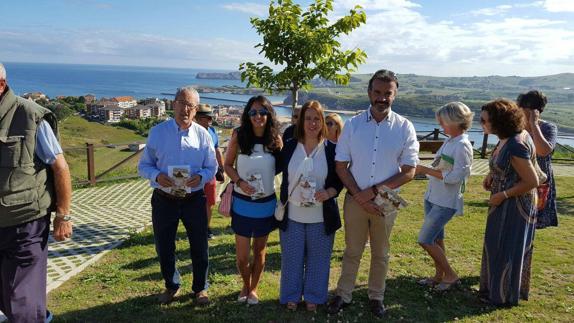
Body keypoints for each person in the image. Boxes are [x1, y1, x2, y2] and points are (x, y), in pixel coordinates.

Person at [327, 69, 419, 318]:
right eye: (377, 92)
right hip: (355, 199)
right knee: (352, 250)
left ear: (395, 94)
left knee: (381, 252)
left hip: (386, 201)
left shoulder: (404, 127)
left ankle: (376, 296)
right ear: (369, 93)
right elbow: (340, 166)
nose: (382, 98)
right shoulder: (354, 125)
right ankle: (343, 294)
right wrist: (359, 195)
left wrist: (374, 192)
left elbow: (409, 171)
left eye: (387, 93)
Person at [0, 62, 73, 322]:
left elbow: (60, 167)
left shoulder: (30, 115)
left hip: (25, 225)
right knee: (9, 298)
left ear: (1, 85)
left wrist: (63, 216)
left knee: (21, 301)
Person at [138, 86, 217, 305]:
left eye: (191, 105)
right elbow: (143, 166)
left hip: (194, 199)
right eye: (182, 103)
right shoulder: (157, 132)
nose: (186, 109)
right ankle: (171, 285)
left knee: (199, 245)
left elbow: (212, 166)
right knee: (164, 246)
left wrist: (200, 178)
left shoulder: (203, 136)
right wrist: (156, 176)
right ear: (174, 104)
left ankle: (200, 288)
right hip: (165, 199)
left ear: (195, 110)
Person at [276, 100, 343, 312]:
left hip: (321, 216)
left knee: (319, 260)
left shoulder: (332, 150)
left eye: (317, 119)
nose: (312, 123)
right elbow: (274, 168)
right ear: (300, 121)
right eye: (308, 118)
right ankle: (291, 296)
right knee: (291, 259)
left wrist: (330, 192)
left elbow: (339, 179)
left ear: (322, 121)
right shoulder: (289, 146)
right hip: (293, 214)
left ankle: (314, 296)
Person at [479, 99, 540, 306]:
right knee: (495, 244)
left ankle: (502, 296)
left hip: (515, 205)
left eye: (484, 120)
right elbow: (504, 164)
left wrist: (503, 195)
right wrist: (491, 174)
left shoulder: (516, 143)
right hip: (502, 200)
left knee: (507, 247)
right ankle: (492, 290)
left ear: (499, 122)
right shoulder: (505, 137)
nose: (481, 124)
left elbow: (532, 181)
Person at [223, 95, 283, 305]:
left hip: (265, 205)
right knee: (241, 257)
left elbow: (282, 167)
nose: (258, 116)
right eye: (253, 112)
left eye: (262, 112)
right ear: (247, 115)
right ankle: (245, 284)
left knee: (259, 252)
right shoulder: (239, 136)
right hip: (242, 204)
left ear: (269, 115)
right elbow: (227, 165)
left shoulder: (275, 139)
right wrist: (240, 182)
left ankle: (253, 288)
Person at [414, 102, 474, 291]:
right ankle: (439, 275)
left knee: (425, 239)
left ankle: (450, 275)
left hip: (445, 201)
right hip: (433, 197)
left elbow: (457, 176)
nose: (441, 126)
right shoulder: (450, 140)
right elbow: (441, 165)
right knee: (437, 239)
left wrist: (425, 170)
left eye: (443, 122)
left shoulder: (462, 145)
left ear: (455, 121)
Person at [517, 90, 558, 229]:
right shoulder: (517, 127)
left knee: (532, 222)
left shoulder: (548, 127)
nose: (519, 111)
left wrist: (533, 125)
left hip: (538, 181)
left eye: (522, 108)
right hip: (517, 178)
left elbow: (543, 151)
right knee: (516, 219)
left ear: (535, 111)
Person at [195, 104, 225, 240]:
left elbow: (217, 150)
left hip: (210, 173)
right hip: (195, 173)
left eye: (211, 118)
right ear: (198, 118)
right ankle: (196, 227)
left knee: (210, 201)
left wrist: (222, 168)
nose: (210, 120)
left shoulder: (212, 130)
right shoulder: (192, 132)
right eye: (208, 118)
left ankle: (206, 227)